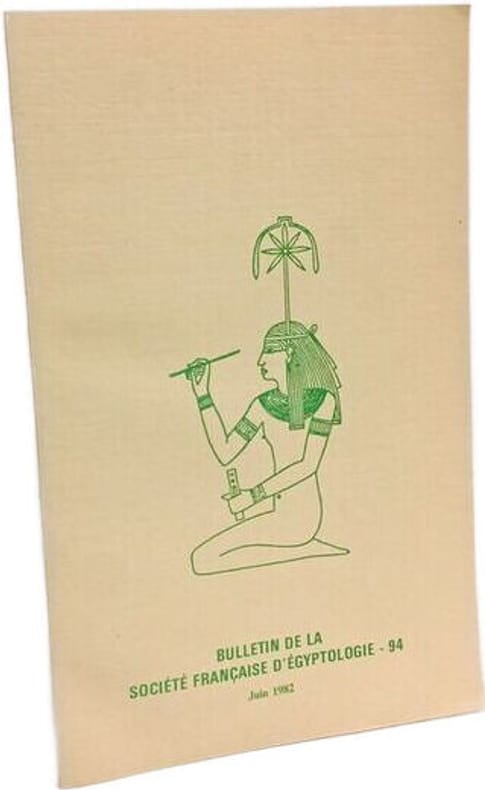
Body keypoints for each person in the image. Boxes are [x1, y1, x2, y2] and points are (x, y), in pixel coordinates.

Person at [187, 320, 349, 575]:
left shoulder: (322, 400)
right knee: (201, 560)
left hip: (302, 518)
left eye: (269, 351)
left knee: (204, 560)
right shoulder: (262, 405)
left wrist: (252, 497)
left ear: (289, 353)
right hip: (277, 513)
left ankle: (302, 550)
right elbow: (225, 452)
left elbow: (307, 465)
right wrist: (202, 395)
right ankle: (300, 550)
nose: (260, 360)